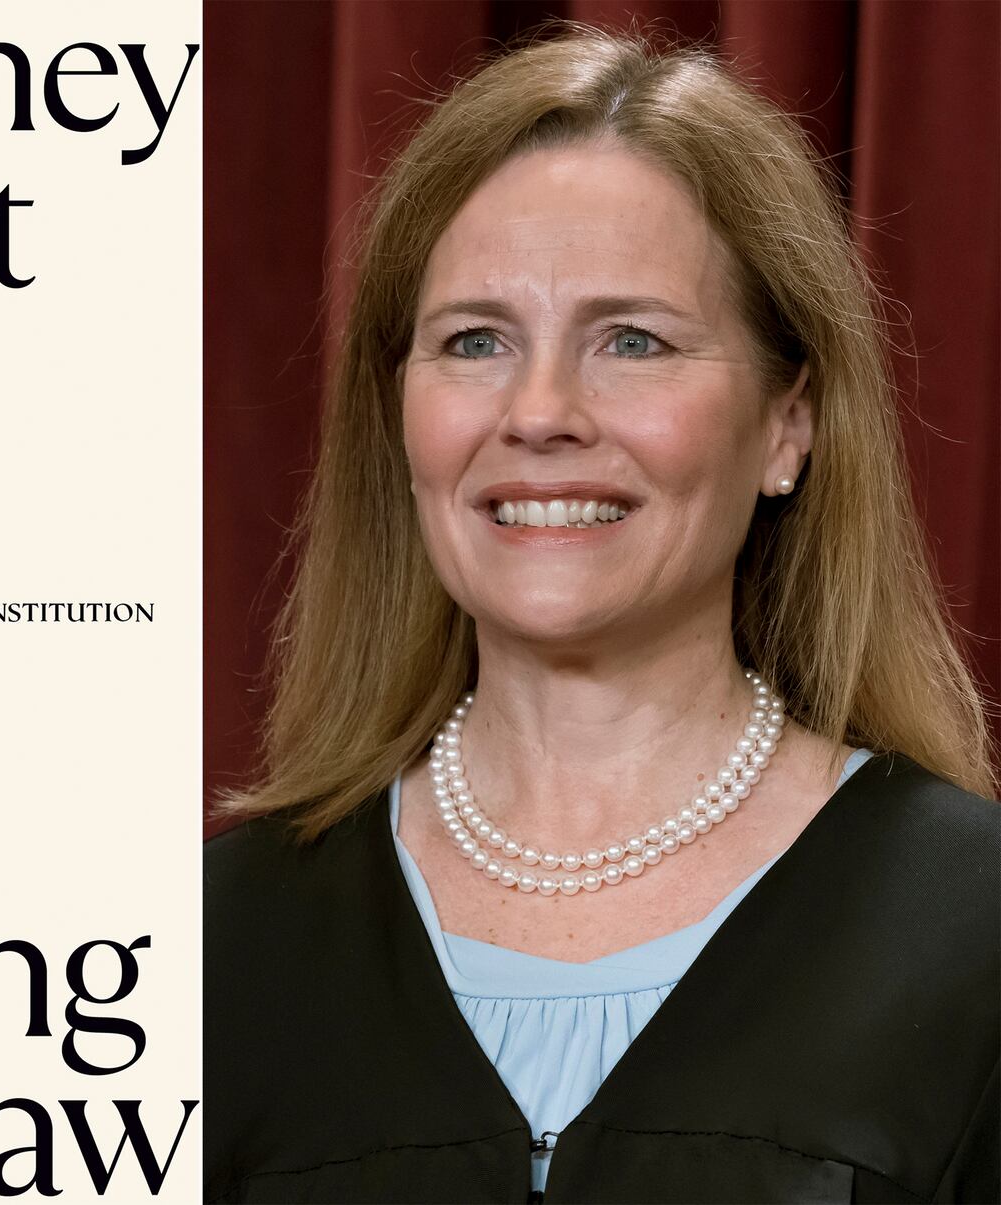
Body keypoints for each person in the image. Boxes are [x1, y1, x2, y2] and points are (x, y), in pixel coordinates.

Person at [204, 27, 999, 1205]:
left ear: (789, 421)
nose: (539, 412)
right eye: (475, 340)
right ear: (400, 412)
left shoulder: (969, 932)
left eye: (631, 340)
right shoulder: (223, 947)